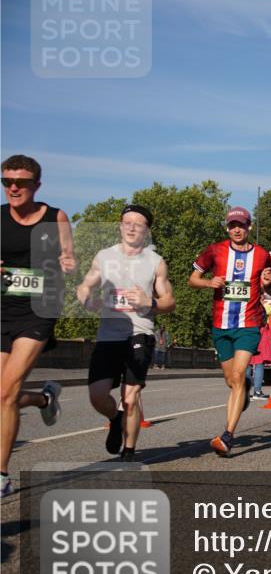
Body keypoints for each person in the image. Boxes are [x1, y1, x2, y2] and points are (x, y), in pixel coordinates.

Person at [1, 155, 75, 496]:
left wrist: (67, 261)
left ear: (37, 185)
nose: (14, 188)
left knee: (6, 392)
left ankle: (1, 476)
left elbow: (70, 258)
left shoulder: (54, 217)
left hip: (38, 311)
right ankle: (44, 399)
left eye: (22, 182)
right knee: (3, 394)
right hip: (2, 309)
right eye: (7, 182)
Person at [77, 204, 175, 462]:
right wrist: (88, 300)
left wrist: (149, 302)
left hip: (140, 333)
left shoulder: (155, 262)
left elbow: (169, 302)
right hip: (108, 335)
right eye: (127, 223)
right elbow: (84, 286)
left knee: (130, 398)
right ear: (120, 226)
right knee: (97, 395)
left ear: (146, 230)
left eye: (138, 224)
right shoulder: (104, 257)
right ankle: (114, 417)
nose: (132, 228)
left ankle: (129, 452)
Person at [189, 207, 271, 457]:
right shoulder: (214, 250)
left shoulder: (262, 255)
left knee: (237, 376)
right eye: (232, 226)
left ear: (249, 227)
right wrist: (209, 282)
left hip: (249, 324)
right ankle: (245, 387)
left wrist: (268, 284)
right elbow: (192, 279)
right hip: (221, 325)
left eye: (241, 225)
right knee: (232, 380)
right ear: (227, 228)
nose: (237, 230)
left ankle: (227, 436)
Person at [247, 319, 271, 400]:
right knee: (259, 364)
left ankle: (244, 392)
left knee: (247, 365)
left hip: (247, 336)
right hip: (260, 338)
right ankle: (257, 392)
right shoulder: (262, 312)